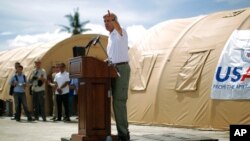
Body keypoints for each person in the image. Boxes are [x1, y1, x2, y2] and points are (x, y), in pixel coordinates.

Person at [103, 10, 131, 141]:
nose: (106, 23)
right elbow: (112, 56)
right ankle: (121, 131)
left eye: (109, 20)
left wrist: (114, 19)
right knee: (114, 103)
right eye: (105, 21)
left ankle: (124, 134)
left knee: (119, 102)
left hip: (121, 69)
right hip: (112, 69)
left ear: (115, 21)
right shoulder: (109, 37)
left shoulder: (121, 32)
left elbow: (118, 27)